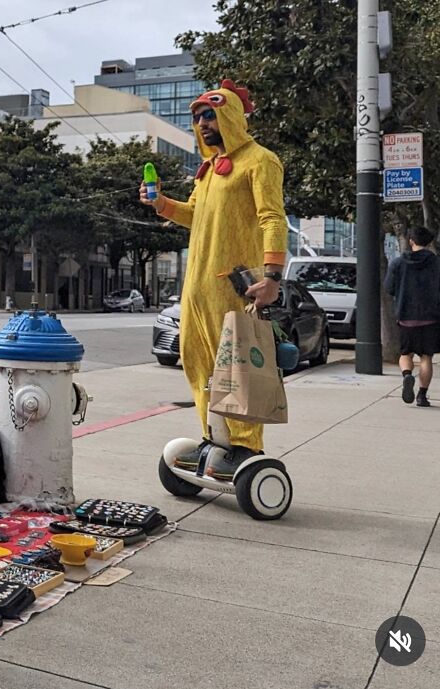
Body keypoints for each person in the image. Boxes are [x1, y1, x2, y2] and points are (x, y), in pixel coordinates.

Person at [139, 79, 288, 479]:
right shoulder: (206, 173)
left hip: (234, 288)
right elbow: (195, 215)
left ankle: (244, 444)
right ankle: (212, 436)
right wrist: (161, 204)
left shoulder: (260, 161)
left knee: (238, 369)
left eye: (211, 114)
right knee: (198, 363)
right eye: (197, 117)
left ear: (232, 116)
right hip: (197, 287)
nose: (202, 123)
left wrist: (273, 276)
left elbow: (273, 219)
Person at [384, 226, 440, 407]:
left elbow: (389, 289)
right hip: (431, 318)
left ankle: (407, 375)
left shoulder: (397, 264)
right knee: (426, 357)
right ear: (429, 242)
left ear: (411, 241)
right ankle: (422, 396)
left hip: (406, 317)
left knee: (405, 353)